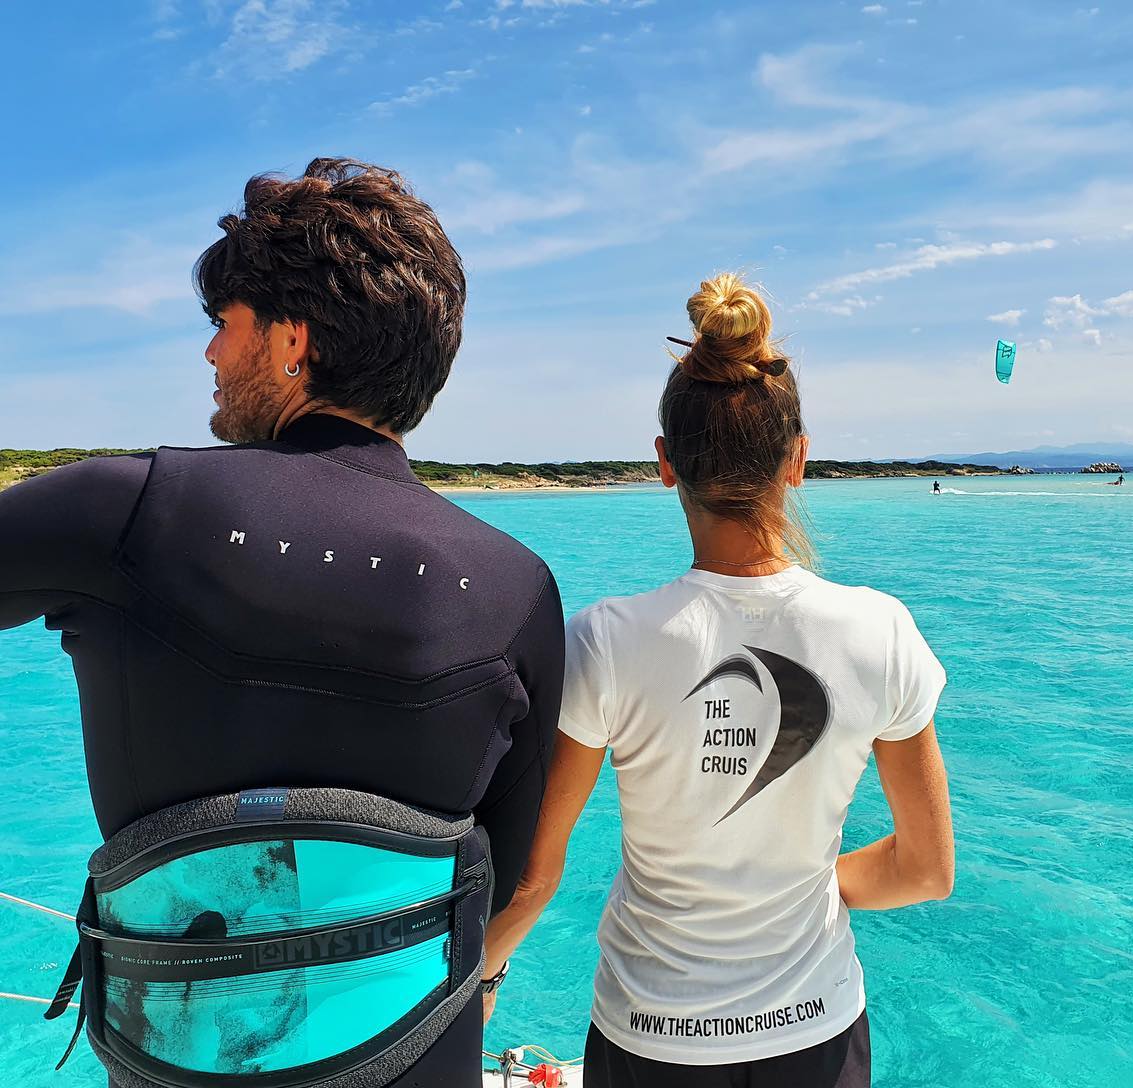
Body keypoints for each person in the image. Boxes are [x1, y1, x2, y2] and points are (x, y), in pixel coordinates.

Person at [0, 159, 563, 1087]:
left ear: (292, 339)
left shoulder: (123, 511)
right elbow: (517, 877)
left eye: (224, 324)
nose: (211, 356)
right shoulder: (517, 588)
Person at [484, 274, 955, 1088]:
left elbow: (534, 877)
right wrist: (808, 890)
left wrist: (481, 980)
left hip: (651, 1040)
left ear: (665, 463)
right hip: (817, 1036)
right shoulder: (880, 631)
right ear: (798, 459)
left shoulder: (606, 640)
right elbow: (926, 870)